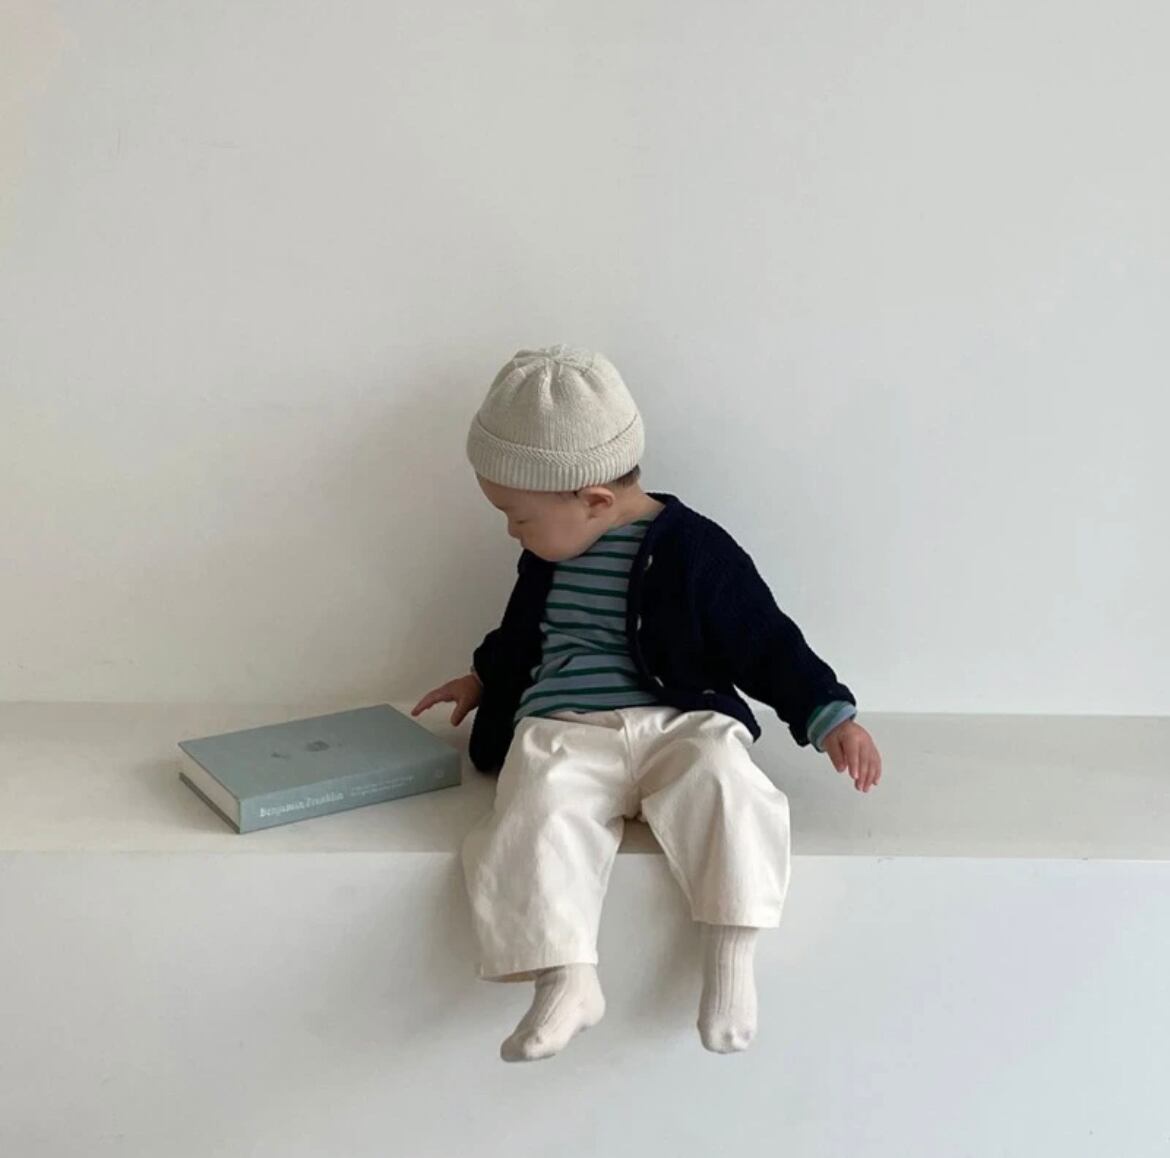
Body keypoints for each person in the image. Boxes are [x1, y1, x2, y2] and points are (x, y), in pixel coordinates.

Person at [412, 343, 882, 1062]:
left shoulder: (695, 550)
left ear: (593, 500)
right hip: (567, 727)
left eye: (519, 517)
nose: (512, 532)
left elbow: (763, 638)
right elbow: (519, 636)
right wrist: (481, 679)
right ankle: (565, 976)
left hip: (681, 720)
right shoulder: (546, 561)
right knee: (533, 808)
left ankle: (730, 960)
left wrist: (829, 714)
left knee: (728, 784)